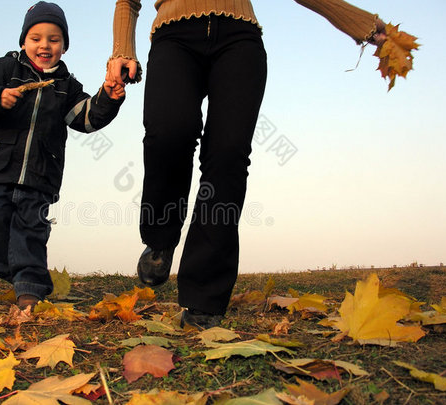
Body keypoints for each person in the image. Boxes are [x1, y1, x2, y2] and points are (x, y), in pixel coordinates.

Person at [106, 0, 385, 328]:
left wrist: (361, 22)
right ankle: (160, 237)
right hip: (173, 37)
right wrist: (122, 49)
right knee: (168, 134)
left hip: (239, 39)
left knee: (227, 154)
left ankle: (204, 298)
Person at [0, 2, 125, 310]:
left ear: (63, 47)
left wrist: (108, 96)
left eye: (54, 39)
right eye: (36, 38)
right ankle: (7, 264)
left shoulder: (66, 86)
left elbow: (86, 117)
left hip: (41, 174)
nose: (44, 45)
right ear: (24, 41)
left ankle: (30, 288)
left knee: (31, 229)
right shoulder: (3, 68)